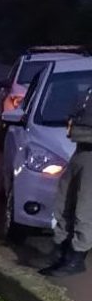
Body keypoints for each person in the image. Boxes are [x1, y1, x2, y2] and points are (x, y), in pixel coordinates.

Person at [40, 89, 92, 278]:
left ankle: (75, 258)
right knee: (64, 200)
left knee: (84, 208)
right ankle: (62, 250)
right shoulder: (87, 90)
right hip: (80, 150)